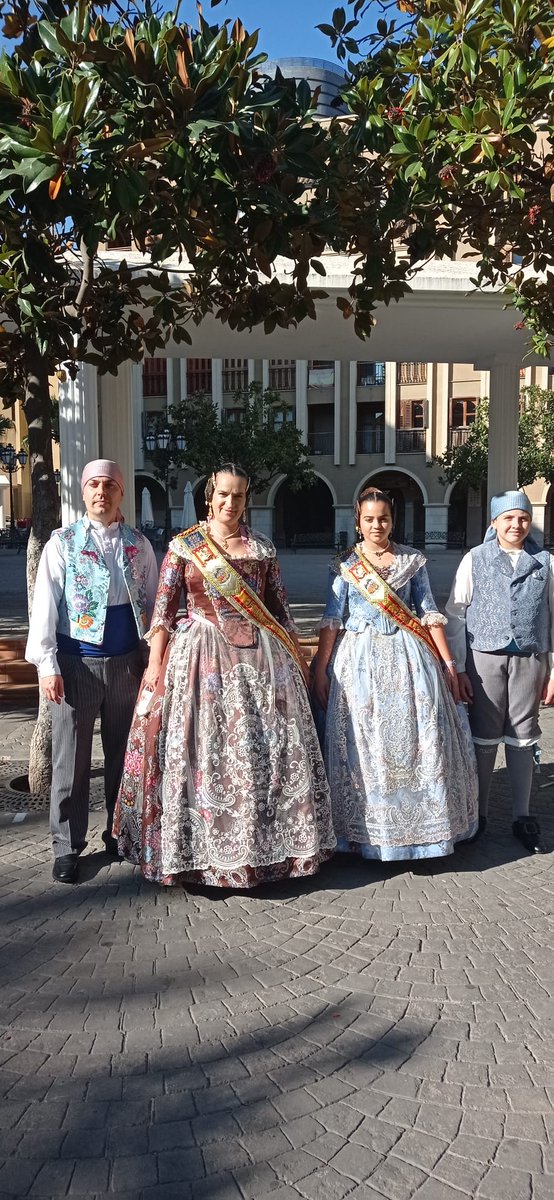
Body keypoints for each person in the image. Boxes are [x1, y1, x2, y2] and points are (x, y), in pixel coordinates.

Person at [114, 463, 336, 888]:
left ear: (246, 500)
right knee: (201, 747)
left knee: (260, 749)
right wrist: (155, 666)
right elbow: (162, 613)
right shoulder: (183, 547)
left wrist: (300, 659)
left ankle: (262, 852)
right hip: (200, 655)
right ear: (209, 498)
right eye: (223, 495)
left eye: (238, 496)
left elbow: (280, 610)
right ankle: (199, 854)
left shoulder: (262, 549)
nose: (230, 503)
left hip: (260, 660)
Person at [313, 488, 478, 860]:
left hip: (409, 658)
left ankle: (424, 832)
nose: (377, 525)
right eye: (369, 518)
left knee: (418, 738)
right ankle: (364, 833)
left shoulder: (412, 560)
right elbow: (332, 618)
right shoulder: (344, 564)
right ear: (358, 520)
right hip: (358, 662)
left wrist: (449, 665)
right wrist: (321, 667)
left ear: (393, 519)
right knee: (364, 743)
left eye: (383, 518)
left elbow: (429, 613)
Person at [26, 460, 158, 884]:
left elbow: (155, 608)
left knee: (125, 754)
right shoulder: (62, 543)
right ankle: (67, 844)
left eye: (110, 486)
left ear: (122, 493)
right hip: (76, 664)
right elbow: (44, 608)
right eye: (94, 486)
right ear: (83, 493)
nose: (102, 492)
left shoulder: (140, 544)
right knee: (72, 759)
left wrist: (152, 660)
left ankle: (119, 833)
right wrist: (47, 666)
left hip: (127, 666)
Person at [446, 490, 554, 854]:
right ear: (494, 522)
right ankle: (479, 814)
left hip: (530, 656)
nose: (516, 524)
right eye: (508, 518)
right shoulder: (474, 559)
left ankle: (522, 814)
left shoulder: (545, 562)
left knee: (524, 732)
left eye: (522, 518)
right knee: (485, 731)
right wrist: (459, 666)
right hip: (484, 657)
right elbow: (456, 612)